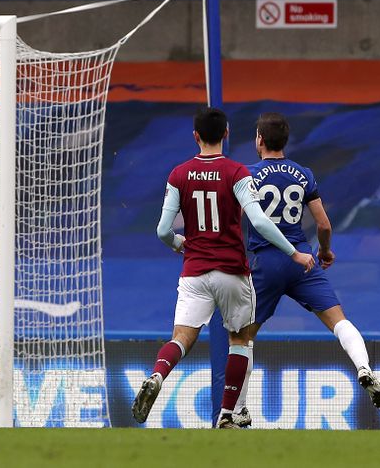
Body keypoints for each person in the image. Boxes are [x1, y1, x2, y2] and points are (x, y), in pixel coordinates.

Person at [131, 107, 315, 429]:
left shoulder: (178, 174)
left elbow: (162, 230)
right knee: (241, 340)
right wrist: (293, 252)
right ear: (227, 134)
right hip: (231, 271)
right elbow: (258, 220)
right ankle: (227, 415)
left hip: (194, 272)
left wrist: (179, 244)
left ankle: (158, 375)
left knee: (181, 338)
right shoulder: (236, 173)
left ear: (195, 136)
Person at [229, 112, 380, 427]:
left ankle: (239, 410)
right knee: (339, 321)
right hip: (304, 259)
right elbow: (323, 223)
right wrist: (325, 251)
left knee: (242, 337)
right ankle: (364, 368)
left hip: (266, 261)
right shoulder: (303, 174)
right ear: (285, 141)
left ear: (259, 140)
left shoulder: (246, 174)